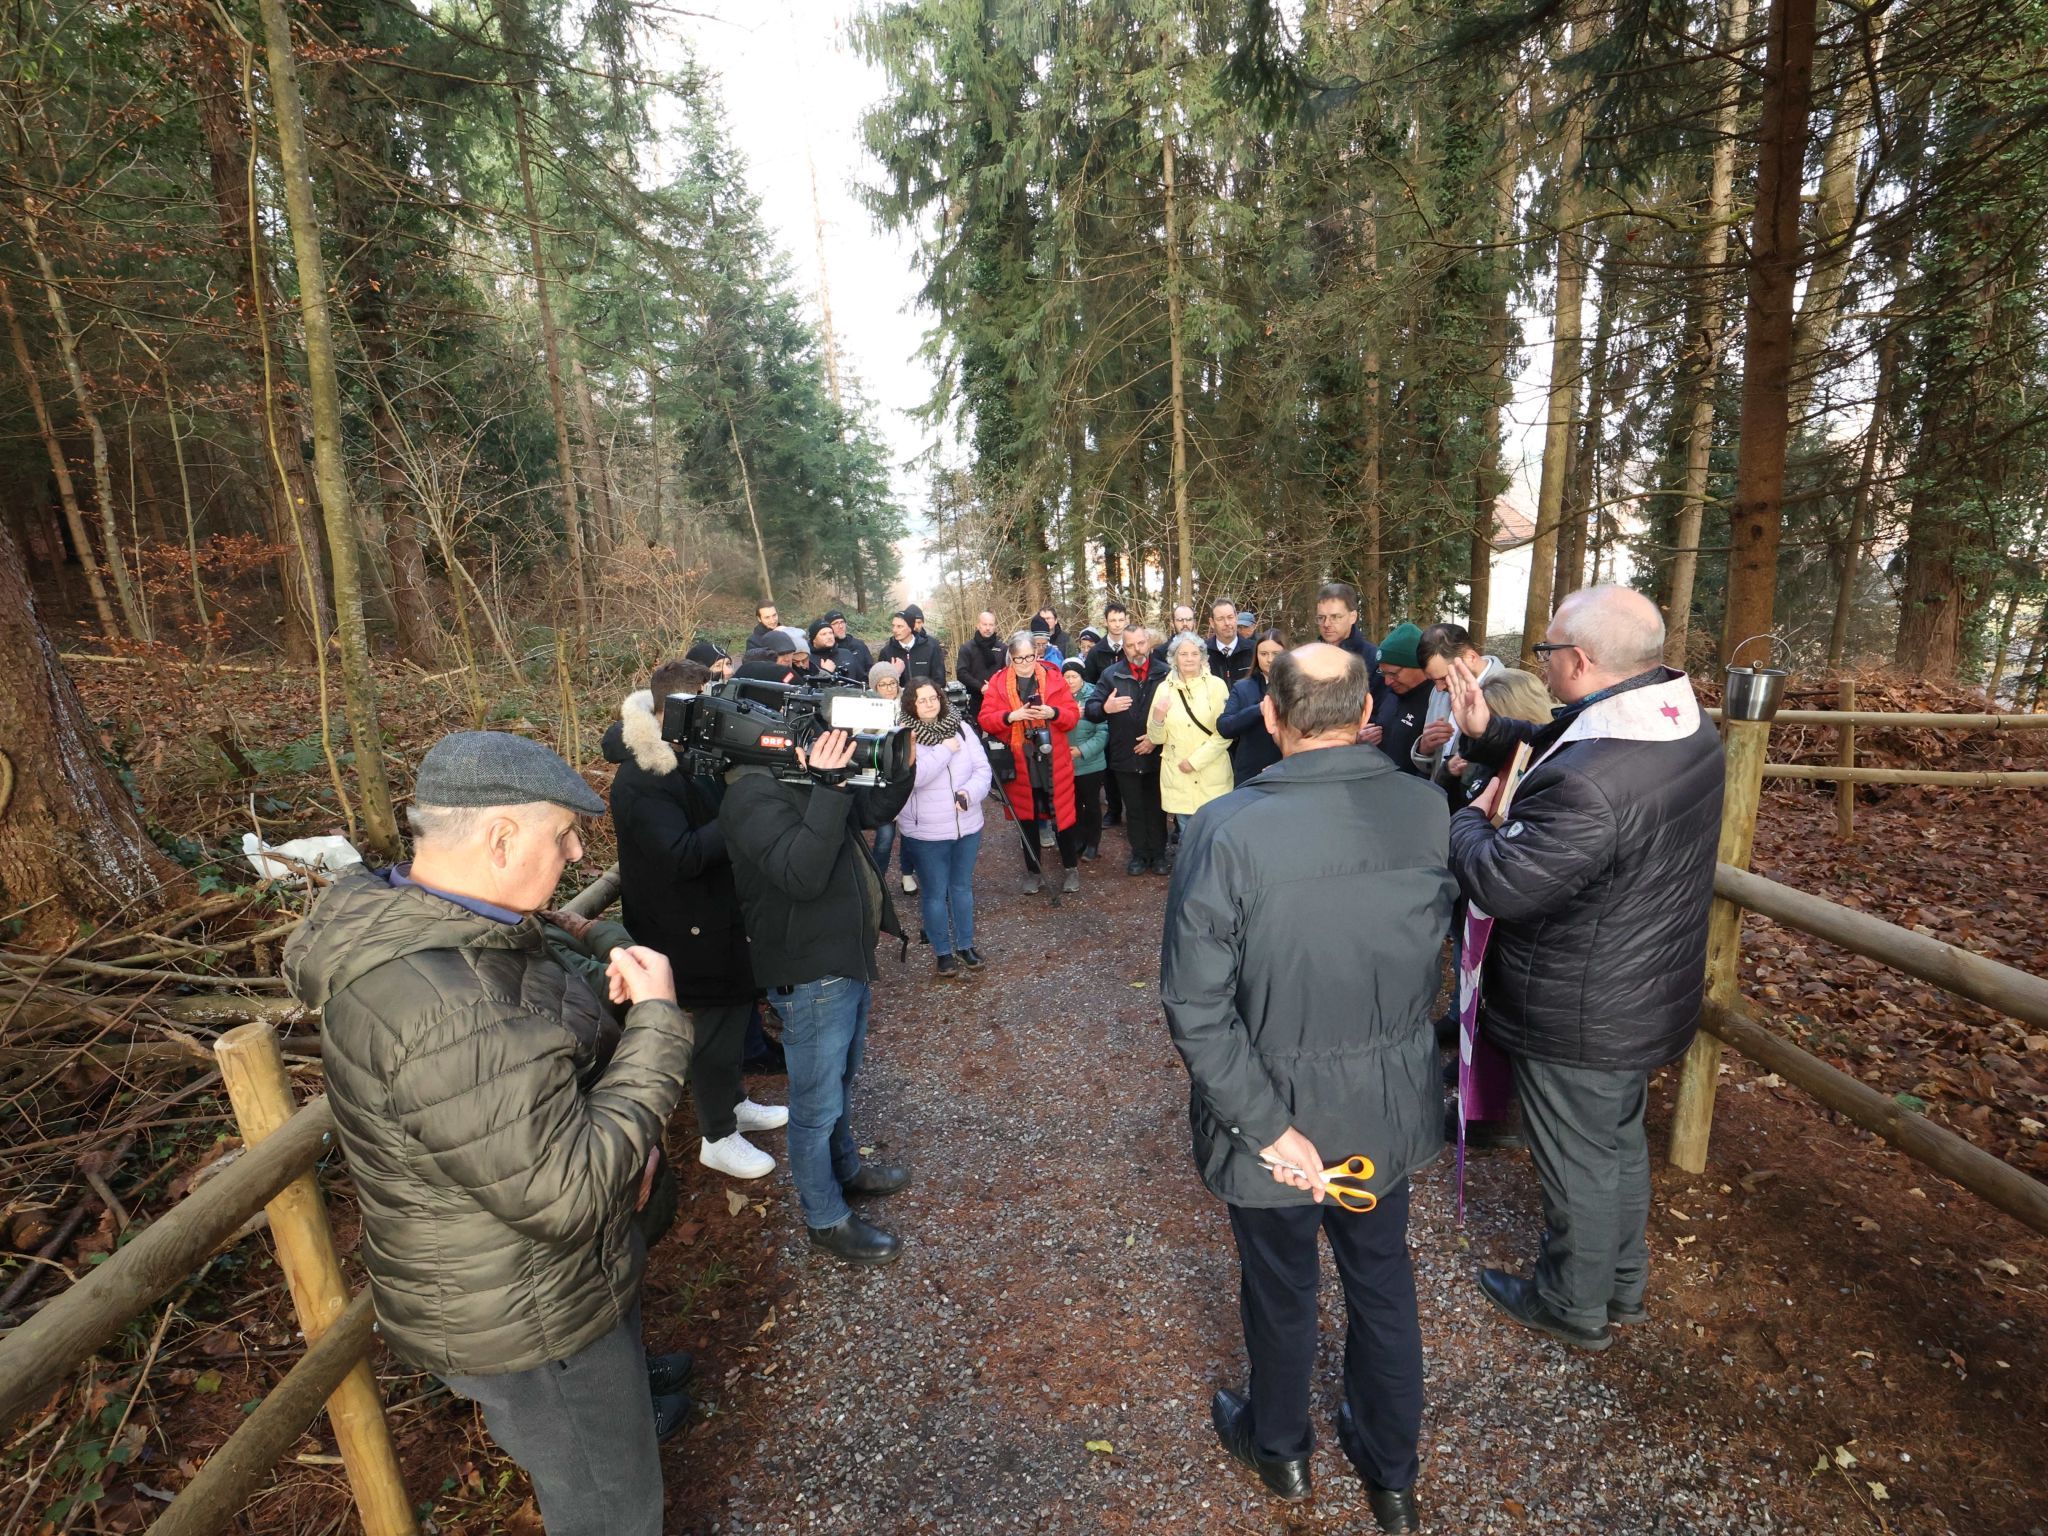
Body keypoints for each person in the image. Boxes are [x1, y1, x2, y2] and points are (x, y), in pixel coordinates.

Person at [282, 732, 694, 1536]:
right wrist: (657, 1022)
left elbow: (530, 1061)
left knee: (607, 1416)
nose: (577, 855)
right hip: (530, 1316)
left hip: (542, 1279)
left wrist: (608, 995)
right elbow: (568, 1194)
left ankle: (628, 1394)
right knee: (611, 1508)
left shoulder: (464, 927)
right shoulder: (445, 1009)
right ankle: (611, 1427)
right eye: (563, 835)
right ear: (501, 838)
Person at [1160, 645, 1454, 1532]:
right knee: (1379, 1281)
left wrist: (1266, 1128)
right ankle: (1385, 1471)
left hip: (1284, 1114)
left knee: (1286, 1285)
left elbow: (1195, 1004)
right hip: (1377, 1110)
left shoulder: (1227, 827)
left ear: (1273, 717)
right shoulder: (1423, 807)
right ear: (1364, 712)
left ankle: (1287, 1448)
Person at [1445, 584, 1723, 1351]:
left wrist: (1468, 817)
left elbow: (1502, 881)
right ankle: (1621, 1286)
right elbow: (1569, 736)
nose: (1540, 659)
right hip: (1644, 984)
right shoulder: (1677, 720)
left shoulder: (1591, 783)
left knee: (1578, 1161)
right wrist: (1490, 734)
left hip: (1583, 1002)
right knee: (1615, 1144)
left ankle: (1572, 1302)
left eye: (1547, 649)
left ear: (1581, 659)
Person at [720, 724, 917, 1266]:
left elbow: (871, 810)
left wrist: (902, 764)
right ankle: (825, 1218)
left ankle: (845, 1170)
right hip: (809, 973)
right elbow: (800, 874)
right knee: (815, 1104)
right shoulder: (750, 792)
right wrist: (828, 786)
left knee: (841, 1082)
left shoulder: (797, 774)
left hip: (843, 961)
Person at [607, 662, 787, 1182]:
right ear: (682, 710)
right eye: (710, 704)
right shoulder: (643, 776)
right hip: (683, 927)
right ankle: (717, 1136)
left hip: (717, 915)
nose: (719, 714)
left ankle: (732, 1104)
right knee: (713, 1031)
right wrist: (739, 814)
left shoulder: (688, 754)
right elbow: (680, 855)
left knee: (733, 1017)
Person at [896, 678, 992, 975]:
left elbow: (982, 769)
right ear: (911, 704)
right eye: (922, 700)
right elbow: (915, 777)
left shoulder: (961, 727)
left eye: (933, 698)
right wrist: (946, 749)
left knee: (961, 888)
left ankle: (965, 945)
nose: (930, 704)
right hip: (926, 831)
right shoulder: (903, 735)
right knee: (935, 892)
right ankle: (943, 952)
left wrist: (969, 794)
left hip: (967, 824)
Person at [978, 630, 1084, 894]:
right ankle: (1033, 872)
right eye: (1019, 659)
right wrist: (1011, 716)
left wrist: (1053, 712)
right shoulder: (999, 683)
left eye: (1029, 657)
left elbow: (1072, 716)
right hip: (1020, 760)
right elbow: (985, 719)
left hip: (1053, 758)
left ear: (1036, 655)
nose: (1025, 663)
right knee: (1027, 818)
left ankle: (1071, 869)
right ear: (1010, 659)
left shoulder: (1054, 678)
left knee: (1063, 817)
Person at [1085, 623, 1169, 875]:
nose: (1137, 649)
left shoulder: (1166, 673)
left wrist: (1155, 739)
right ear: (1123, 647)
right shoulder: (1111, 675)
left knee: (1157, 807)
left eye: (1141, 643)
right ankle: (1139, 854)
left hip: (1158, 752)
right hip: (1125, 753)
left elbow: (1177, 711)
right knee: (1133, 808)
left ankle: (1159, 854)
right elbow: (1091, 709)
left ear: (1149, 643)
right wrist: (1105, 708)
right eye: (1130, 645)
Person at [1150, 631, 1234, 822]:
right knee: (1187, 835)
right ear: (1174, 658)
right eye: (1183, 654)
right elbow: (1156, 738)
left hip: (1212, 776)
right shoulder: (1164, 689)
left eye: (1195, 654)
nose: (1189, 659)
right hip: (1179, 778)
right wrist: (1157, 719)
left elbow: (1225, 733)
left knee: (1214, 833)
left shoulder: (1217, 686)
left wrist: (1195, 761)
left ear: (1202, 657)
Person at [1414, 622, 1505, 789]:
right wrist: (1424, 748)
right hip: (1437, 797)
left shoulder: (1508, 692)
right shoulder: (1438, 691)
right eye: (1433, 680)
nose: (1439, 688)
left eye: (1444, 678)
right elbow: (1431, 767)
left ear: (1471, 658)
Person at [863, 661, 914, 894]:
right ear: (875, 687)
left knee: (910, 833)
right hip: (881, 777)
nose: (889, 688)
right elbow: (861, 737)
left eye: (892, 683)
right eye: (883, 684)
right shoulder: (866, 705)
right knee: (885, 835)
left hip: (907, 774)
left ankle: (907, 874)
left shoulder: (910, 703)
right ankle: (878, 880)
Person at [1217, 629, 1287, 784]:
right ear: (1256, 656)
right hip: (1249, 773)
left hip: (1286, 771)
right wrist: (1259, 709)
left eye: (1276, 654)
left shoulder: (1299, 686)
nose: (1269, 659)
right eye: (1263, 654)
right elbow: (1224, 727)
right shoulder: (1243, 687)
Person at [1370, 623, 1435, 773]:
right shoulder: (1390, 693)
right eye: (1383, 673)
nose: (1387, 681)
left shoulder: (1437, 701)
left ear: (1418, 666)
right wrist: (1363, 741)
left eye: (1393, 674)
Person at [1316, 582, 1387, 715]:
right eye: (1321, 618)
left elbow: (1380, 709)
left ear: (1353, 617)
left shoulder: (1373, 658)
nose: (1326, 624)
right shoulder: (1309, 657)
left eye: (1335, 617)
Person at [1062, 657, 1108, 860]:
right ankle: (1078, 839)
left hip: (1090, 762)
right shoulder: (1057, 697)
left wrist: (1082, 750)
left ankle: (1092, 842)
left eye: (1074, 676)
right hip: (1065, 762)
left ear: (1082, 677)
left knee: (1091, 804)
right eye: (1066, 676)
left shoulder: (1094, 696)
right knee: (1073, 803)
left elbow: (1103, 731)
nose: (1070, 681)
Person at [955, 610, 1007, 719]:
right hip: (975, 698)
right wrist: (981, 687)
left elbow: (1007, 671)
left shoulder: (1002, 648)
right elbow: (961, 673)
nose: (988, 628)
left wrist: (994, 686)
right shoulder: (967, 648)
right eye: (984, 624)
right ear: (978, 625)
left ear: (995, 626)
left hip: (998, 698)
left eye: (991, 625)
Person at [878, 608, 946, 685]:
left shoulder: (931, 647)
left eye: (899, 626)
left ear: (911, 627)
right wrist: (894, 674)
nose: (894, 630)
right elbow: (881, 685)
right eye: (893, 626)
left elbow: (939, 680)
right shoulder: (886, 652)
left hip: (926, 692)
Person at [1206, 598, 1253, 684]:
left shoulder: (1253, 650)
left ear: (1236, 618)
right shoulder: (1203, 653)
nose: (1227, 623)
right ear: (1212, 622)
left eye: (1230, 617)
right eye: (1220, 619)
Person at [1084, 600, 1131, 685]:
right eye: (1113, 620)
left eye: (1121, 620)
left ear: (1126, 621)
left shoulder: (1133, 648)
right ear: (1106, 622)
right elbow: (1089, 684)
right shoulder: (1096, 652)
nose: (1117, 624)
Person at [826, 611, 873, 675]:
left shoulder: (859, 645)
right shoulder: (826, 648)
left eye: (842, 622)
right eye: (835, 623)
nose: (840, 626)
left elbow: (871, 669)